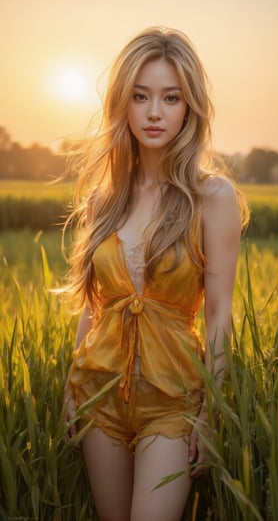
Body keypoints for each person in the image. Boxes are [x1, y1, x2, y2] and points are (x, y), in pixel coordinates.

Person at [62, 26, 249, 521]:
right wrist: (70, 386)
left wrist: (211, 414)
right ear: (123, 103)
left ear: (190, 106)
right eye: (140, 96)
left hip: (172, 399)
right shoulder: (105, 199)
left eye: (171, 97)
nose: (154, 112)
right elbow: (93, 304)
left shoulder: (213, 198)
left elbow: (220, 315)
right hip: (99, 393)